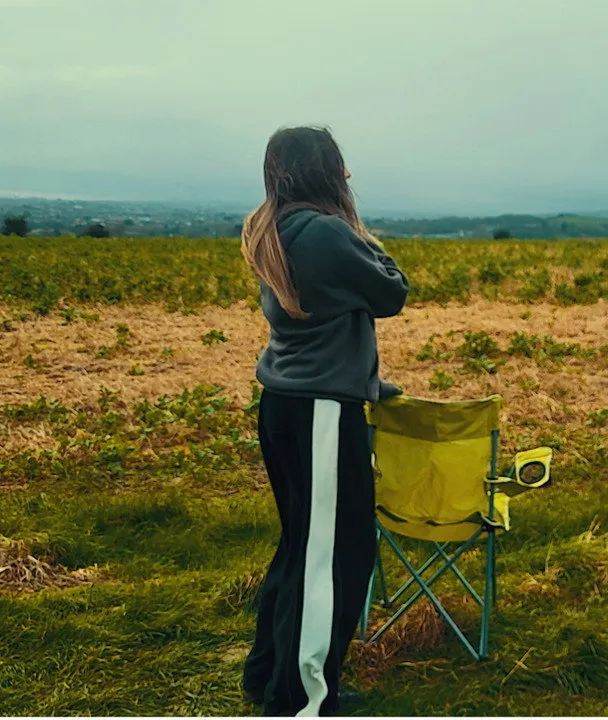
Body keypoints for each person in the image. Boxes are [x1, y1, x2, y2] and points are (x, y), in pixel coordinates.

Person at [239, 125, 409, 716]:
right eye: (340, 166)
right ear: (324, 172)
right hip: (322, 414)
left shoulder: (276, 227)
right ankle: (303, 697)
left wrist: (365, 382)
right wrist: (358, 229)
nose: (349, 176)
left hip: (288, 404)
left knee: (302, 547)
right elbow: (392, 291)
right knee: (335, 557)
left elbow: (326, 320)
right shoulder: (326, 232)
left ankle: (269, 674)